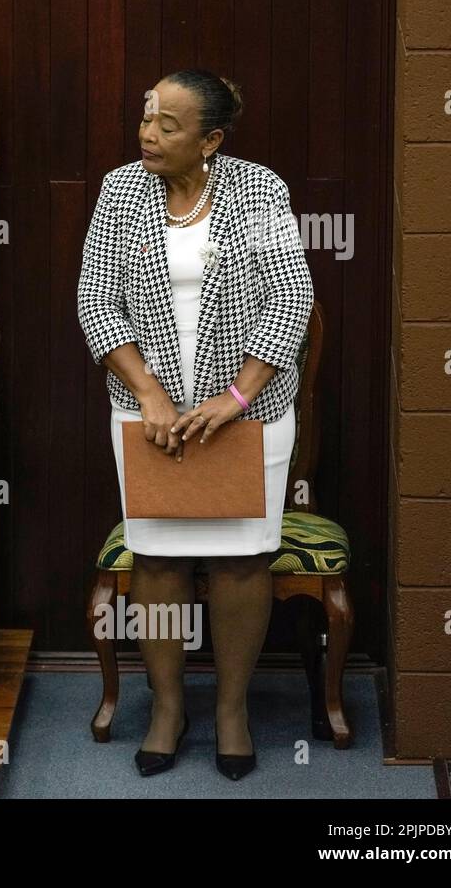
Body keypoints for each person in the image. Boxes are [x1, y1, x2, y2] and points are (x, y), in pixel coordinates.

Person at [77, 70, 313, 780]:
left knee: (243, 559)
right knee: (157, 559)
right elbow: (95, 301)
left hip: (248, 415)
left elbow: (290, 299)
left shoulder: (260, 190)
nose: (148, 133)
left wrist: (233, 399)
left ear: (210, 139)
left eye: (168, 125)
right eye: (146, 116)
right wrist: (148, 392)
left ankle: (233, 709)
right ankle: (169, 705)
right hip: (150, 420)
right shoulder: (120, 191)